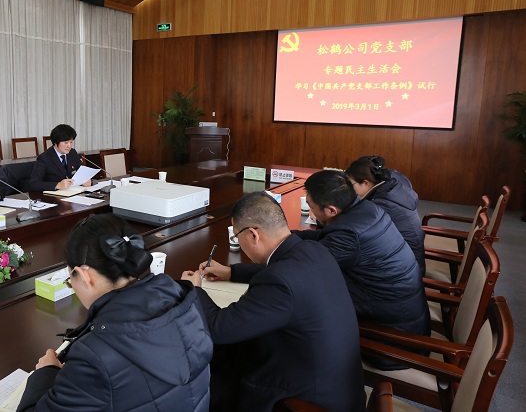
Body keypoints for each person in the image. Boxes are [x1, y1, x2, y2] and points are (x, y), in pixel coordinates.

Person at [181, 192, 365, 412]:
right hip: (339, 385)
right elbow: (280, 270)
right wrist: (231, 272)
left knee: (208, 374)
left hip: (305, 401)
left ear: (253, 235)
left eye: (236, 236)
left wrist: (194, 289)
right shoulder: (313, 249)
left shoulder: (278, 282)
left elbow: (218, 328)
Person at [18, 214, 212, 412]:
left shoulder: (93, 356)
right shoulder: (184, 300)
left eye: (70, 280)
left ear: (85, 275)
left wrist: (45, 374)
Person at [295, 170, 430, 368]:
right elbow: (325, 240)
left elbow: (303, 270)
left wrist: (238, 271)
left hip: (392, 342)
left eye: (311, 206)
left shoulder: (349, 235)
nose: (310, 211)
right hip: (404, 320)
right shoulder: (367, 209)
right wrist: (289, 236)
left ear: (332, 210)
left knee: (300, 306)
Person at [345, 155, 425, 273]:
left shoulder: (381, 205)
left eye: (351, 185)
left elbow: (353, 230)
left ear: (366, 183)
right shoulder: (391, 184)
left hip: (403, 272)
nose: (348, 189)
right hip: (407, 260)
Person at [29, 124, 91, 191]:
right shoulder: (44, 158)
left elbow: (82, 173)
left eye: (71, 142)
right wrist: (57, 185)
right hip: (53, 198)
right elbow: (33, 184)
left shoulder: (72, 153)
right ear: (55, 142)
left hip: (73, 193)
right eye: (66, 142)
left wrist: (86, 181)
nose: (69, 146)